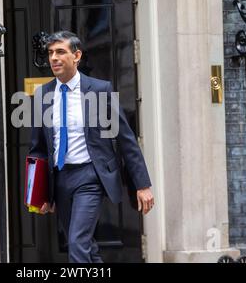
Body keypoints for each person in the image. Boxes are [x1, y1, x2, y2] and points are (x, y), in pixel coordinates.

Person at [29, 31, 154, 263]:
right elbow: (37, 148)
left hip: (90, 176)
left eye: (60, 52)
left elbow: (126, 138)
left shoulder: (99, 90)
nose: (53, 58)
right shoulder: (43, 94)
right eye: (50, 53)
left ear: (76, 56)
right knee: (85, 246)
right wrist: (39, 193)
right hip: (60, 178)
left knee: (77, 242)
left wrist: (143, 184)